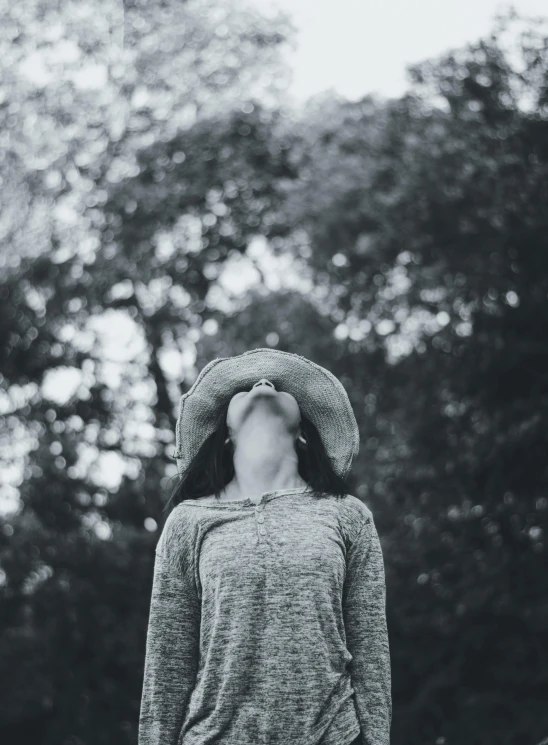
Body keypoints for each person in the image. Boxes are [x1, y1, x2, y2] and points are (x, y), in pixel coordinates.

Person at [138, 348, 392, 745]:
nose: (264, 383)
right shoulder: (187, 522)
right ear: (225, 434)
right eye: (245, 386)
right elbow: (166, 667)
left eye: (278, 384)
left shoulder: (348, 516)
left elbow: (371, 654)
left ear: (305, 432)